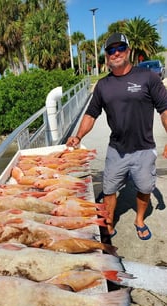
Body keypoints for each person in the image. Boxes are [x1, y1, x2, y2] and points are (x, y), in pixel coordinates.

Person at [66, 32, 167, 240]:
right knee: (109, 189)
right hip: (116, 150)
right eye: (111, 50)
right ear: (107, 55)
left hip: (144, 149)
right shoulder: (103, 85)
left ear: (128, 51)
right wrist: (78, 136)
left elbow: (165, 109)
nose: (116, 53)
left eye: (121, 48)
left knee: (145, 187)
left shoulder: (148, 77)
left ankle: (139, 220)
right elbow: (91, 114)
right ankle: (109, 224)